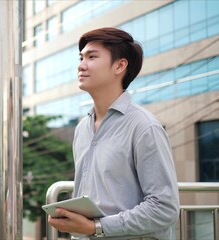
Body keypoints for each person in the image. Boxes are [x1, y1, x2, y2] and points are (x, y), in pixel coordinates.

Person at [48, 27, 180, 239]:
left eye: (92, 57)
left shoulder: (145, 127)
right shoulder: (82, 128)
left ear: (120, 65)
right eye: (81, 58)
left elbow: (164, 209)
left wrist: (96, 228)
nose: (81, 66)